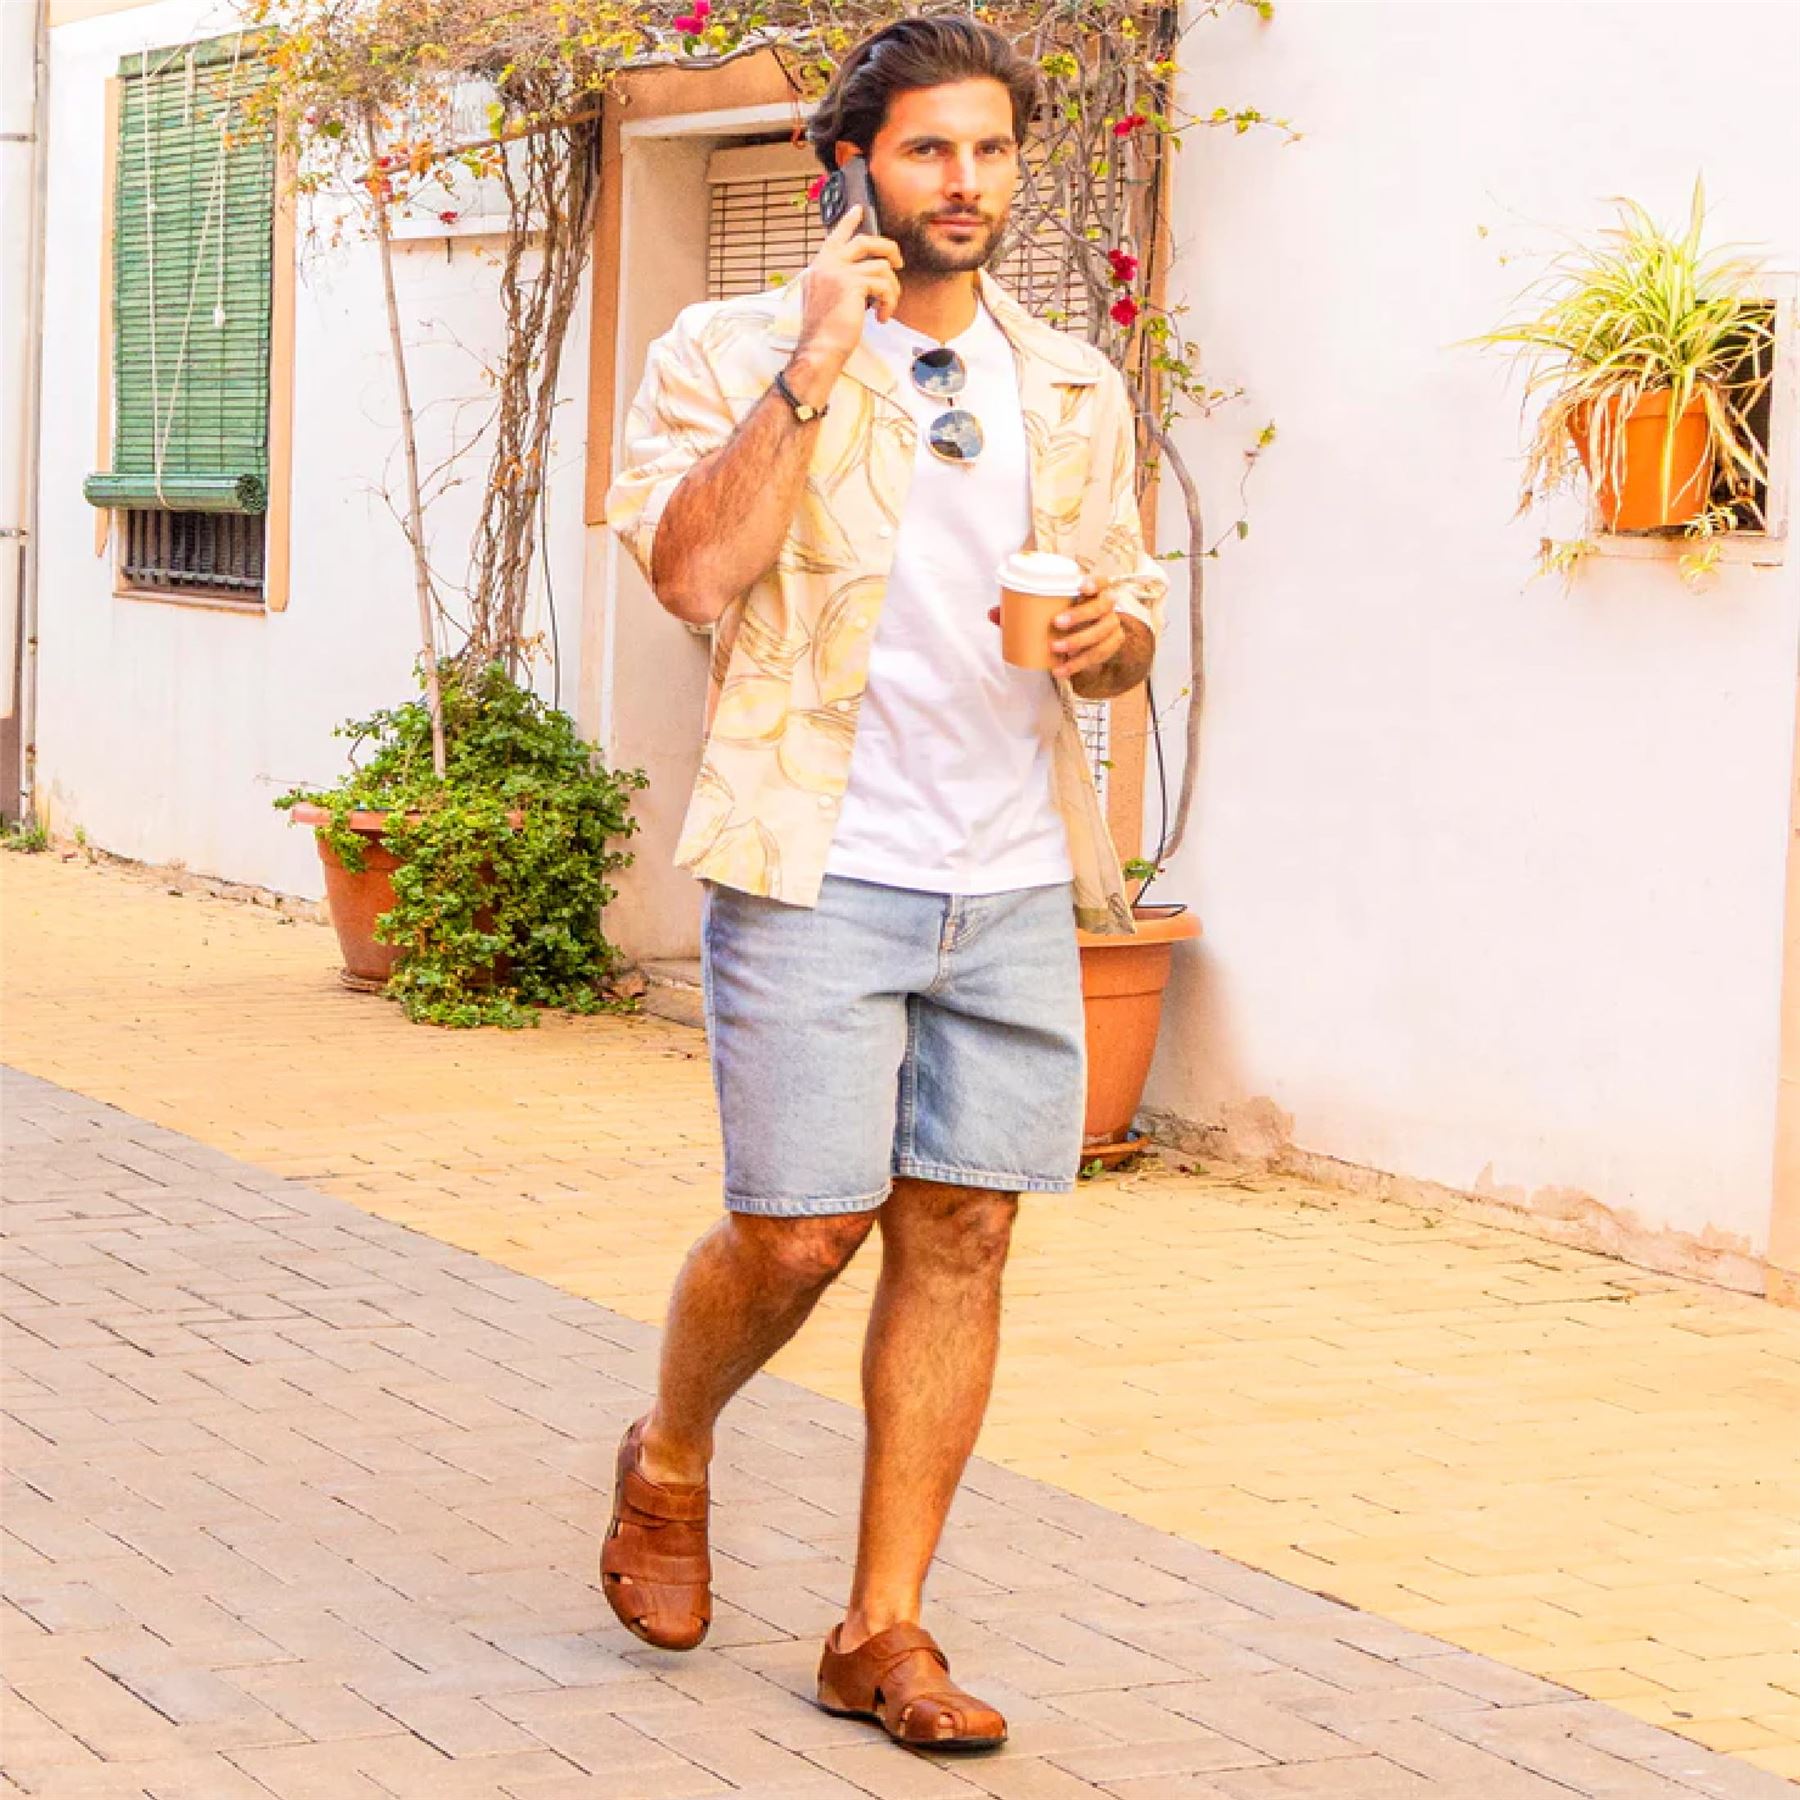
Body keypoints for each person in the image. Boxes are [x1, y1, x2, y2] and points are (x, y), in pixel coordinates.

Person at [602, 15, 1166, 1752]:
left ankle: (881, 1631)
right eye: (930, 149)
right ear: (849, 164)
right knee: (801, 1230)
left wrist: (1110, 641)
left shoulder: (1068, 383)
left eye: (991, 150)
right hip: (816, 858)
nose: (967, 182)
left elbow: (1131, 623)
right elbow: (693, 578)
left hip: (1010, 876)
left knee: (965, 1231)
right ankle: (669, 1456)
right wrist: (813, 363)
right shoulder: (726, 347)